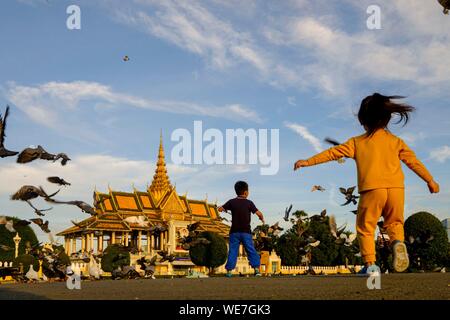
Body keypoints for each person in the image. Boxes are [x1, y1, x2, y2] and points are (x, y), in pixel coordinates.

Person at [293, 93, 440, 273]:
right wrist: (430, 180)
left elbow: (332, 153)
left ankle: (371, 265)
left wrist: (307, 161)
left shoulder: (357, 142)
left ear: (363, 120)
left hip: (372, 190)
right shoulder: (396, 141)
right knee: (395, 223)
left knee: (365, 228)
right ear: (387, 118)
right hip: (396, 190)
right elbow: (413, 162)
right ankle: (398, 243)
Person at [218, 181, 265, 277]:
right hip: (246, 232)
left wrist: (223, 209)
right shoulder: (249, 203)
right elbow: (259, 213)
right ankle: (256, 269)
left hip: (234, 232)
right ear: (245, 192)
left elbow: (220, 209)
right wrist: (261, 218)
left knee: (233, 251)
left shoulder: (231, 202)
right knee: (250, 249)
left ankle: (229, 271)